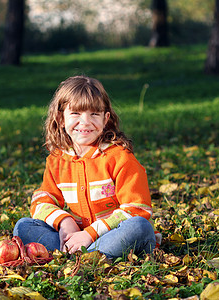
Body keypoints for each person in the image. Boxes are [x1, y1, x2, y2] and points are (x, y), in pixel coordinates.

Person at [13, 75, 157, 259]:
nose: (85, 122)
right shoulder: (57, 160)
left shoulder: (119, 157)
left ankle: (83, 255)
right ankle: (82, 253)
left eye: (94, 114)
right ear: (61, 119)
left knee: (139, 226)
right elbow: (42, 200)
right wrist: (65, 221)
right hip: (77, 236)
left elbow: (137, 208)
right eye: (76, 113)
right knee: (23, 226)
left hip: (112, 236)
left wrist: (90, 234)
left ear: (105, 119)